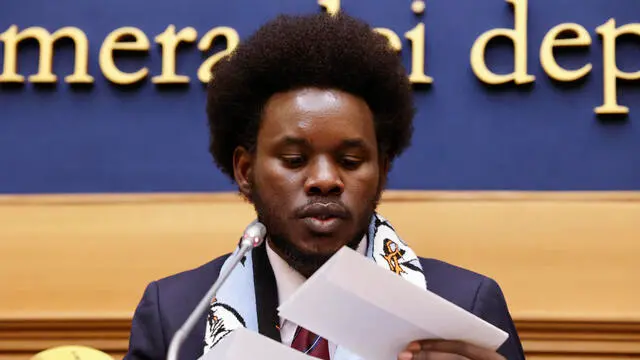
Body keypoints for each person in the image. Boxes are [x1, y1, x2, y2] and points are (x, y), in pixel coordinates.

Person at [124, 11, 526, 360]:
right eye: (295, 160)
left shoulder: (462, 307)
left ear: (382, 171)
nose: (324, 181)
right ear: (245, 171)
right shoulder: (177, 316)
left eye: (350, 162)